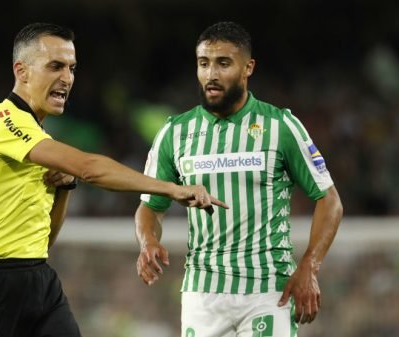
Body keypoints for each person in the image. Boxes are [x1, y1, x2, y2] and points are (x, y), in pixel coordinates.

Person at [0, 22, 227, 337]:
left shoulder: (38, 141)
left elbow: (44, 243)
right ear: (22, 71)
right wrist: (172, 189)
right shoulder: (0, 122)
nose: (66, 78)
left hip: (36, 277)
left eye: (71, 68)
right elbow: (90, 167)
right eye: (55, 66)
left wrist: (64, 189)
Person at [135, 21, 343, 337]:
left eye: (223, 63)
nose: (211, 74)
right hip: (202, 294)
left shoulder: (281, 126)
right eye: (203, 64)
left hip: (268, 290)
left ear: (248, 68)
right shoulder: (174, 133)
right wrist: (148, 240)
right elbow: (150, 206)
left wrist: (309, 267)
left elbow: (329, 200)